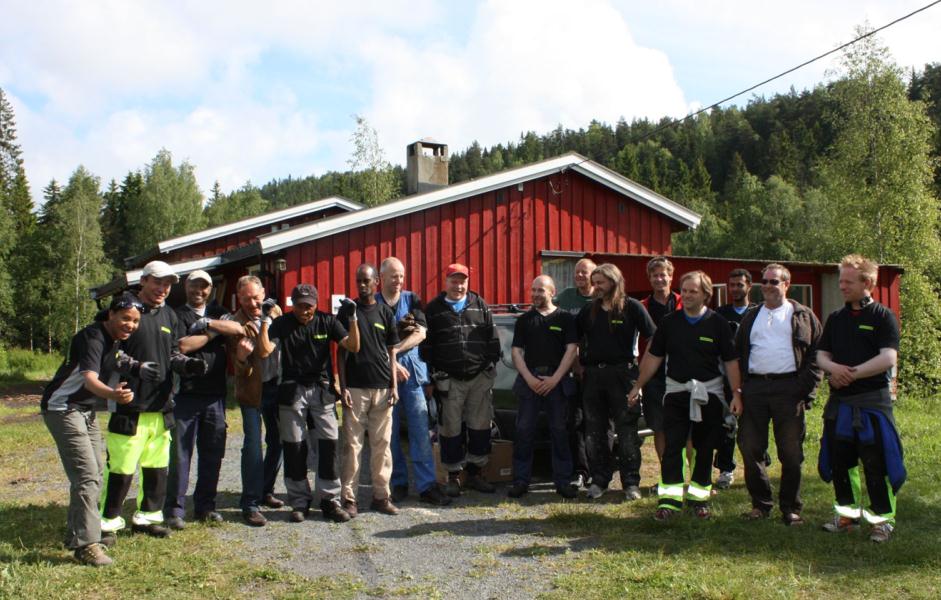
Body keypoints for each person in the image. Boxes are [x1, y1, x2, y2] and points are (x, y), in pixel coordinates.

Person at [99, 261, 208, 539]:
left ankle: (147, 518)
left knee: (157, 468)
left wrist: (187, 365)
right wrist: (135, 366)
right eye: (157, 282)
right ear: (143, 281)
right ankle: (107, 523)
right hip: (129, 404)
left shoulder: (170, 315)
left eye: (168, 284)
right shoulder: (125, 310)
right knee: (122, 469)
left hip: (161, 406)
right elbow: (107, 352)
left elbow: (171, 354)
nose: (162, 289)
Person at [628, 270, 742, 520]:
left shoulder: (718, 324)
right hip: (677, 394)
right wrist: (638, 385)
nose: (688, 295)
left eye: (694, 291)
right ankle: (669, 501)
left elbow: (731, 361)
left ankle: (699, 500)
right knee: (672, 447)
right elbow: (653, 356)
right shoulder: (670, 323)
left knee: (704, 448)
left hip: (709, 395)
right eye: (686, 290)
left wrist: (736, 393)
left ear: (706, 295)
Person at [42, 292, 142, 566]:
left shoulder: (114, 341)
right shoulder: (93, 337)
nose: (130, 325)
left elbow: (120, 361)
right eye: (125, 318)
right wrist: (113, 394)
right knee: (87, 476)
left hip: (85, 411)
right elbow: (88, 379)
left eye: (135, 321)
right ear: (111, 314)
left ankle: (76, 534)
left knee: (96, 471)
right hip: (62, 408)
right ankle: (87, 545)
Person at [817, 255, 903, 543]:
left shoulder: (882, 316)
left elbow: (888, 357)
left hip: (871, 402)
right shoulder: (836, 318)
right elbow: (821, 355)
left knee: (875, 463)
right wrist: (834, 370)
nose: (841, 286)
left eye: (847, 281)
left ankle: (882, 522)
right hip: (840, 403)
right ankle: (847, 516)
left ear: (867, 283)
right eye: (840, 280)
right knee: (842, 462)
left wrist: (852, 374)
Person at [258, 283, 360, 523]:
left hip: (321, 391)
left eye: (309, 306)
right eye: (300, 306)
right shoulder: (282, 324)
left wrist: (353, 318)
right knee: (294, 447)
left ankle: (329, 500)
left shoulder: (327, 321)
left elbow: (353, 346)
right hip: (292, 391)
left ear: (316, 305)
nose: (305, 311)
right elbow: (263, 351)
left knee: (329, 444)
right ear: (293, 304)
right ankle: (299, 501)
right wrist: (264, 320)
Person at [735, 264, 822, 525]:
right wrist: (738, 390)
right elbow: (737, 354)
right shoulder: (751, 316)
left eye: (774, 282)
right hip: (755, 390)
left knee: (791, 452)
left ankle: (791, 508)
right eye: (765, 282)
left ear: (787, 284)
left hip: (789, 390)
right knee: (750, 447)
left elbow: (818, 354)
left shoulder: (803, 315)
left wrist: (804, 388)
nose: (769, 286)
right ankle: (761, 504)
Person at [420, 263, 501, 497]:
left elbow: (492, 340)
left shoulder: (480, 305)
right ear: (445, 282)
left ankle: (476, 473)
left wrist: (488, 366)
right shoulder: (434, 310)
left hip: (479, 378)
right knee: (450, 429)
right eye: (454, 281)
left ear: (468, 282)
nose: (458, 285)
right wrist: (432, 378)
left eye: (462, 281)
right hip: (449, 379)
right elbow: (427, 347)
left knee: (480, 426)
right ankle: (454, 476)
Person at [577, 263, 655, 501]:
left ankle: (630, 483)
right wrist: (579, 367)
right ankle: (599, 480)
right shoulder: (588, 310)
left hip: (623, 376)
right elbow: (574, 342)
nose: (596, 287)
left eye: (601, 282)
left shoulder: (632, 307)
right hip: (593, 377)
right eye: (595, 282)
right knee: (595, 432)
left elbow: (654, 338)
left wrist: (640, 375)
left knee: (628, 431)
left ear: (614, 281)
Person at [377, 257, 451, 506]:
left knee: (420, 431)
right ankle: (397, 483)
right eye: (393, 276)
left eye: (401, 275)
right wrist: (392, 361)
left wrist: (395, 351)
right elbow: (371, 340)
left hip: (413, 375)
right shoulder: (373, 304)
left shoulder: (412, 299)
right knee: (391, 431)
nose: (398, 281)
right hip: (385, 375)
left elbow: (421, 332)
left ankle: (427, 485)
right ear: (381, 277)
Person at [163, 270, 229, 529]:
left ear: (210, 289)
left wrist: (209, 325)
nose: (198, 291)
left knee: (213, 454)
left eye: (203, 287)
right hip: (186, 395)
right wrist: (213, 334)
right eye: (193, 286)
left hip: (215, 396)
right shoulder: (177, 314)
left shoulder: (219, 310)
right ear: (186, 287)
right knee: (181, 456)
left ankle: (205, 507)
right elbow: (182, 346)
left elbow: (235, 327)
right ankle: (175, 510)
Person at [221, 275, 286, 527]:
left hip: (276, 387)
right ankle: (250, 504)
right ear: (239, 299)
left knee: (278, 441)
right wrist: (239, 357)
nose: (253, 303)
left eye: (256, 297)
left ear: (263, 294)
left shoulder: (275, 314)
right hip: (252, 390)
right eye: (247, 299)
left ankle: (265, 490)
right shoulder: (235, 322)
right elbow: (241, 366)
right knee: (252, 445)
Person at [508, 275, 578, 499]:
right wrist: (529, 378)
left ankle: (563, 481)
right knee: (523, 432)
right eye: (533, 290)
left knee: (559, 431)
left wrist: (555, 379)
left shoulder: (566, 319)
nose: (536, 294)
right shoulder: (525, 320)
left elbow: (572, 350)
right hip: (530, 382)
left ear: (552, 292)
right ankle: (521, 481)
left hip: (556, 383)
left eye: (541, 290)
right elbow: (516, 352)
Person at [339, 264, 401, 516]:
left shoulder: (386, 313)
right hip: (354, 389)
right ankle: (349, 499)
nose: (362, 285)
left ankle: (381, 496)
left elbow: (392, 350)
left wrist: (394, 384)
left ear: (377, 281)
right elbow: (341, 352)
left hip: (383, 389)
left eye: (366, 280)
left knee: (382, 445)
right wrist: (341, 386)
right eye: (358, 281)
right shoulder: (347, 311)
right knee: (352, 445)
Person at [553, 257, 596, 489]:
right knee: (576, 422)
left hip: (599, 370)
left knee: (599, 424)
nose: (580, 276)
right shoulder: (566, 297)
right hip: (572, 370)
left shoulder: (602, 297)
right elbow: (547, 312)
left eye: (584, 272)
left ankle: (599, 471)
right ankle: (580, 471)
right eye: (577, 272)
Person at [713, 268, 756, 489]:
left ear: (749, 286)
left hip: (755, 378)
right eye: (731, 285)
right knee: (726, 425)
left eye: (740, 284)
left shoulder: (759, 312)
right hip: (727, 378)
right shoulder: (720, 314)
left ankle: (757, 466)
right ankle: (725, 470)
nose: (735, 289)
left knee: (754, 425)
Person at [639, 256, 683, 466]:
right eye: (654, 275)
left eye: (662, 275)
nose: (659, 279)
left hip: (683, 372)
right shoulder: (642, 307)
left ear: (671, 277)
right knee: (659, 426)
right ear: (649, 279)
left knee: (688, 426)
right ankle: (668, 474)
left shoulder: (685, 302)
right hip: (653, 377)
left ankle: (692, 478)